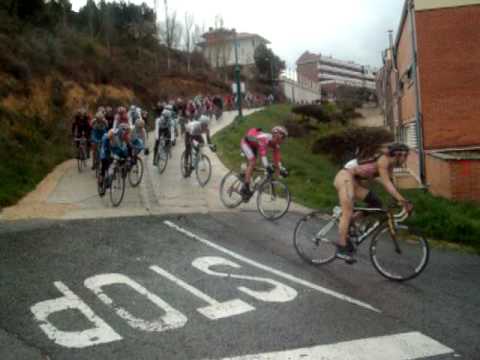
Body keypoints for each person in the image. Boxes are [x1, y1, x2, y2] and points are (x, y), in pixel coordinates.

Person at [333, 142, 413, 264]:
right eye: (405, 155)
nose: (406, 158)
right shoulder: (383, 160)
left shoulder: (390, 165)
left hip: (354, 181)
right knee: (347, 210)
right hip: (345, 176)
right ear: (397, 155)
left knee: (376, 203)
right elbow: (387, 183)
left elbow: (390, 184)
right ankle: (341, 247)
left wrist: (398, 200)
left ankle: (350, 222)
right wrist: (402, 201)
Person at [239, 126, 288, 199]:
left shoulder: (276, 145)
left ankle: (245, 172)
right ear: (276, 136)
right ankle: (245, 187)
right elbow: (263, 154)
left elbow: (276, 160)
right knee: (252, 162)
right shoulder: (265, 139)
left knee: (254, 163)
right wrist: (267, 166)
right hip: (246, 142)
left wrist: (281, 169)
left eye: (284, 138)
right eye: (282, 137)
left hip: (254, 145)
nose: (283, 140)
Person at [98, 123, 131, 195]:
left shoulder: (125, 137)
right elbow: (105, 142)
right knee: (105, 162)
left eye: (127, 133)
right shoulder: (112, 133)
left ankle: (114, 173)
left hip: (115, 150)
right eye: (125, 132)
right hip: (106, 148)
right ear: (121, 131)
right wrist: (108, 154)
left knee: (120, 158)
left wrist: (128, 158)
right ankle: (101, 179)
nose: (126, 135)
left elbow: (126, 148)